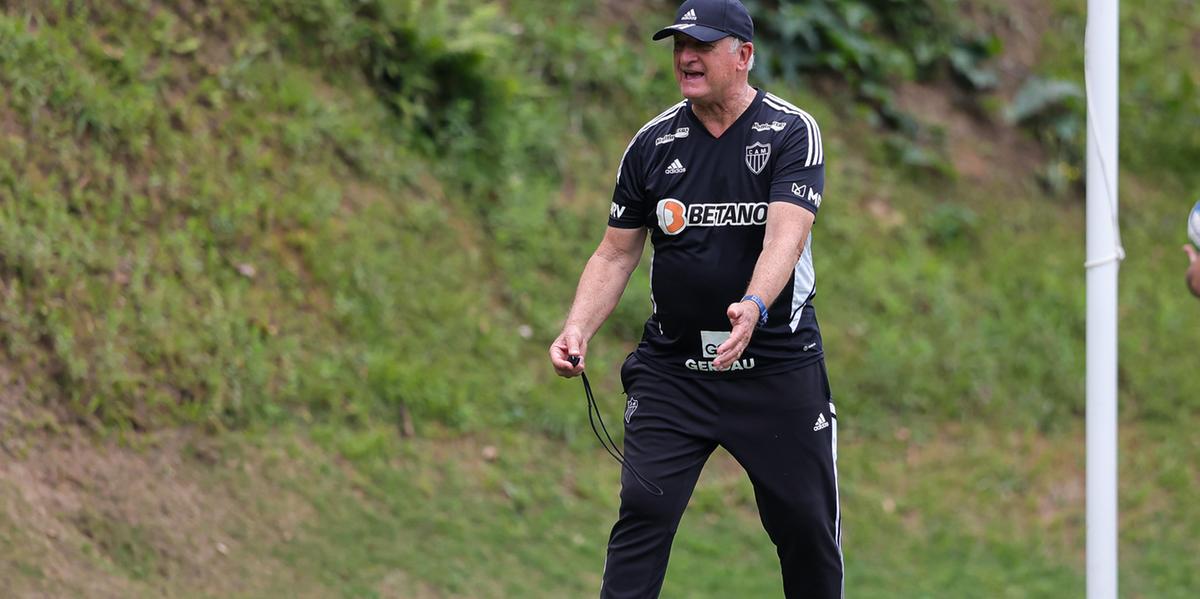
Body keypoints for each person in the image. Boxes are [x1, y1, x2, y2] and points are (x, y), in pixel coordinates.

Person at [548, 0, 842, 596]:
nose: (686, 57)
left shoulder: (789, 131)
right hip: (675, 371)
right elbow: (614, 252)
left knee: (806, 529)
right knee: (643, 513)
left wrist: (754, 307)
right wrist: (577, 326)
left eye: (703, 45)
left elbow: (785, 239)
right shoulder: (653, 144)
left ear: (744, 56)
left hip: (776, 368)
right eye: (679, 45)